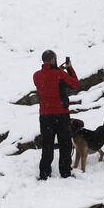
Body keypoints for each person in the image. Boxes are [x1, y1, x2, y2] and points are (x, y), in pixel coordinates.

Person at [33, 50, 79, 180]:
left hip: (45, 116)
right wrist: (69, 68)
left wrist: (56, 70)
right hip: (61, 115)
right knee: (65, 144)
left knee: (47, 145)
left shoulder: (36, 75)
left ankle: (44, 173)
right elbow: (75, 84)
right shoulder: (60, 74)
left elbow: (48, 80)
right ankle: (65, 172)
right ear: (53, 59)